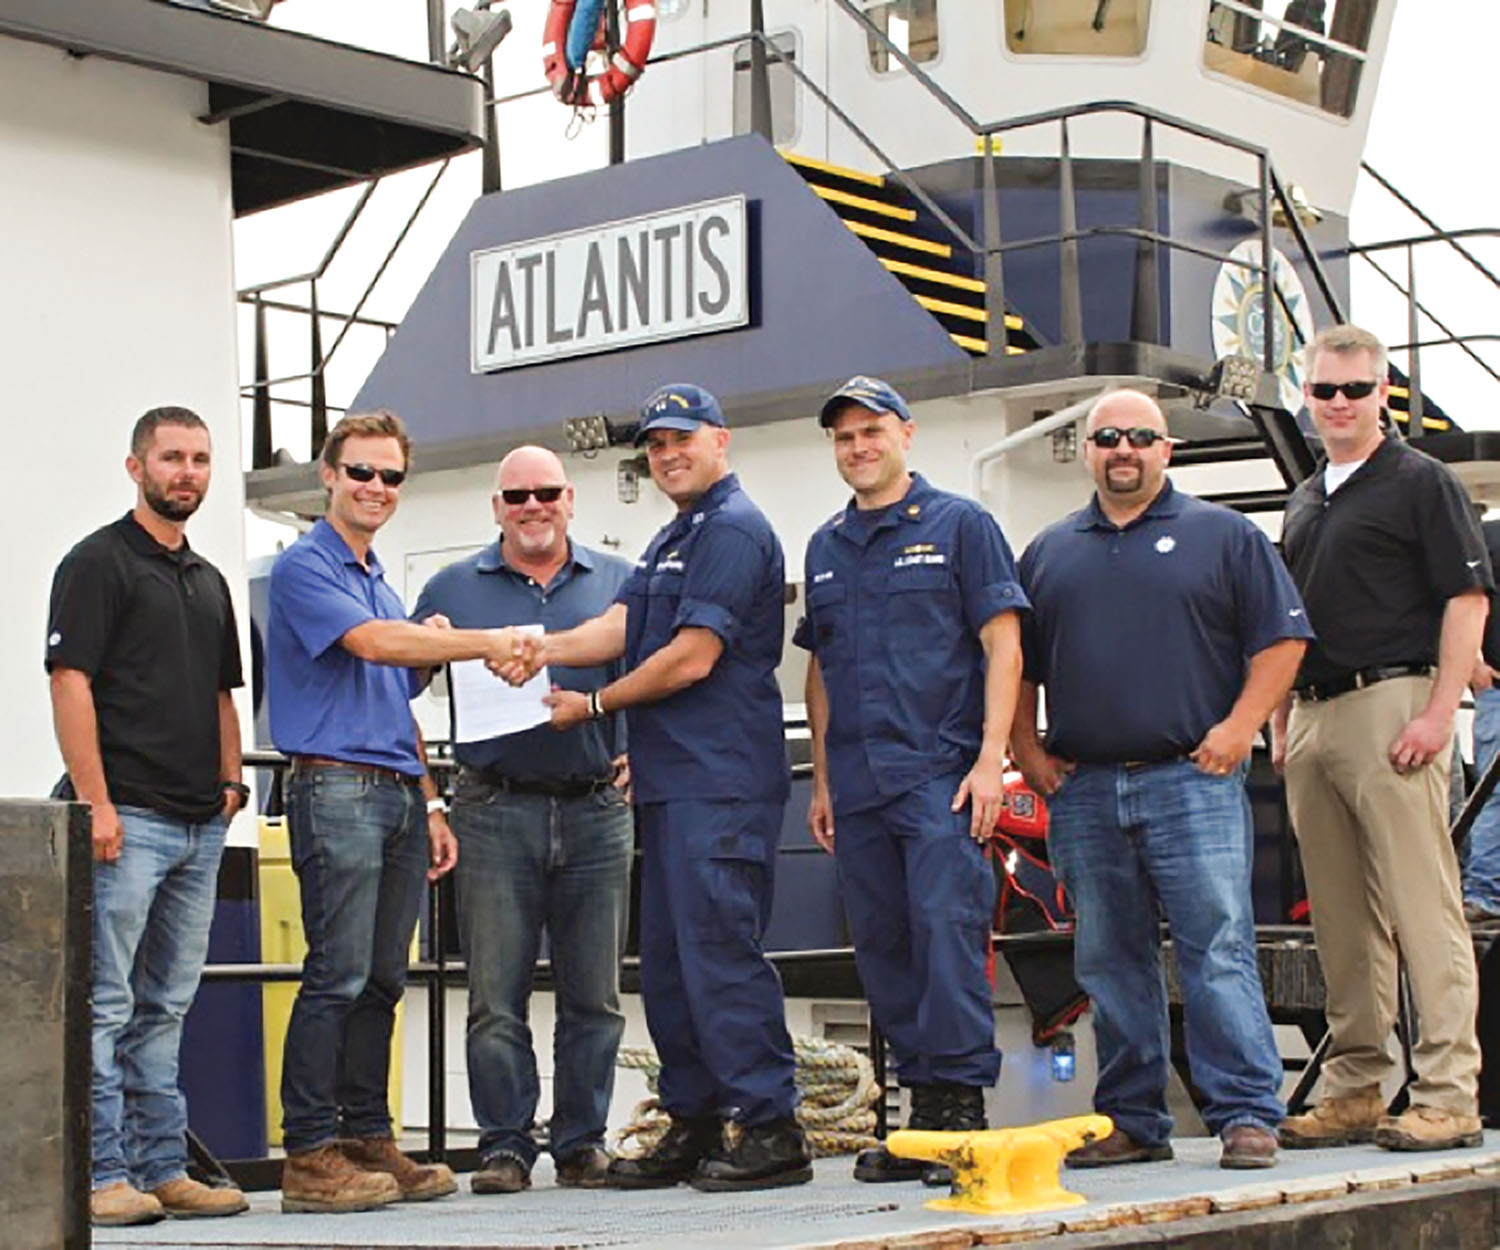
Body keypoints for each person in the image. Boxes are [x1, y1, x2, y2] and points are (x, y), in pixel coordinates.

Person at [505, 383, 811, 1192]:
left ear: (721, 440)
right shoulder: (676, 535)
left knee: (720, 953)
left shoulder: (736, 532)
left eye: (683, 439)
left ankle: (772, 1128)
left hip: (723, 782)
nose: (669, 454)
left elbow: (692, 655)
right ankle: (696, 1119)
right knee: (672, 965)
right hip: (673, 786)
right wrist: (533, 650)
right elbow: (620, 628)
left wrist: (597, 703)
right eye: (657, 444)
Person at [1014, 388, 1311, 1171]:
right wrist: (1027, 750)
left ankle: (1247, 1113)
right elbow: (1018, 668)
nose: (1124, 450)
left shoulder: (1227, 537)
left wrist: (1240, 728)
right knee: (1109, 960)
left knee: (1217, 948)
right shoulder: (1048, 552)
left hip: (1192, 783)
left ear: (1166, 448)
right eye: (1107, 436)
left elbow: (1282, 645)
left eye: (1141, 437)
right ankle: (1132, 1118)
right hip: (1082, 790)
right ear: (1087, 449)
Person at [267, 410, 530, 1213]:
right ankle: (309, 1152)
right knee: (336, 973)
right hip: (336, 788)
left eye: (390, 476)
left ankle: (365, 1134)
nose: (375, 487)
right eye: (360, 473)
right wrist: (471, 642)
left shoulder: (377, 577)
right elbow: (378, 648)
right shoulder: (303, 567)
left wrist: (431, 799)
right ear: (329, 476)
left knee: (381, 978)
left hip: (392, 791)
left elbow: (394, 687)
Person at [794, 376, 1024, 1185]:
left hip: (940, 775)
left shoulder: (962, 526)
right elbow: (819, 668)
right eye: (844, 437)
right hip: (857, 784)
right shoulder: (825, 545)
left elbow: (1004, 645)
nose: (858, 447)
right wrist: (821, 780)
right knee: (885, 948)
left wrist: (992, 758)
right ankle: (915, 1116)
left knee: (946, 936)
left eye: (871, 432)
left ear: (906, 434)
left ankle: (956, 1116)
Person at [1275, 324, 1491, 1152]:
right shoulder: (1307, 494)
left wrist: (1438, 713)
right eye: (1325, 391)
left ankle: (1446, 1093)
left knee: (1422, 905)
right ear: (1307, 396)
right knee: (1339, 917)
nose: (1339, 404)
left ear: (1383, 395)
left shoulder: (1421, 482)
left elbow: (1467, 601)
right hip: (1315, 712)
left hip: (1393, 702)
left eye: (1355, 390)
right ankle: (1357, 1086)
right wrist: (1281, 715)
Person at [47, 406, 251, 1226]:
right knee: (105, 1003)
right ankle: (100, 1178)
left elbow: (221, 694)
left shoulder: (207, 580)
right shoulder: (96, 563)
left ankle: (164, 1169)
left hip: (201, 822)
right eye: (172, 458)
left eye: (200, 459)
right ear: (136, 467)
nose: (187, 473)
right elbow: (70, 683)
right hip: (124, 818)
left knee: (165, 1004)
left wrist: (233, 785)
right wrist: (95, 802)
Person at [411, 446, 634, 1194]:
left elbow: (652, 676)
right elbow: (395, 687)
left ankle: (581, 1143)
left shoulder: (618, 583)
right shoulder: (450, 587)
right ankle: (505, 1146)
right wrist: (430, 796)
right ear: (496, 507)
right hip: (492, 807)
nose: (531, 506)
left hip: (597, 808)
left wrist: (639, 752)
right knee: (495, 994)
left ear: (571, 498)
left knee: (595, 995)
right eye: (516, 496)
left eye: (545, 493)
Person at [1462, 514, 1500, 925]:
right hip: (1498, 692)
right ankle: (1485, 893)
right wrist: (1472, 663)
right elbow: (1456, 597)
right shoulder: (1488, 537)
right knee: (1494, 793)